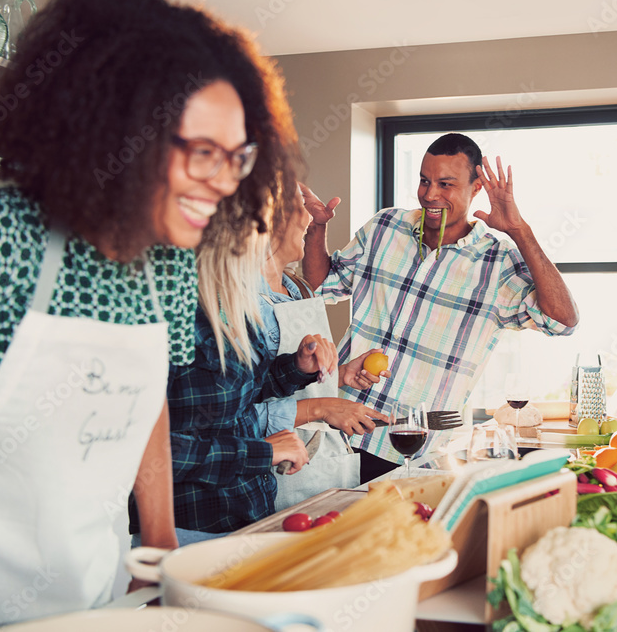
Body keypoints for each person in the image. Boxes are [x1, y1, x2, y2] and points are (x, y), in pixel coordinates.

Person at [0, 0, 297, 629]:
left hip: (97, 606)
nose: (224, 181)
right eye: (203, 152)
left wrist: (159, 544)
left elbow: (142, 400)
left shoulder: (169, 263)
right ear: (118, 129)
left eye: (236, 157)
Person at [302, 133, 580, 481]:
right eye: (424, 181)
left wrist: (519, 231)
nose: (430, 194)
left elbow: (563, 321)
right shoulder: (385, 228)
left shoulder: (496, 263)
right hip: (335, 429)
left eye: (445, 184)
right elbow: (321, 285)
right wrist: (317, 226)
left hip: (410, 451)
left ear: (476, 187)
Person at [154, 185, 388, 544]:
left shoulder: (243, 304)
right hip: (201, 522)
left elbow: (238, 394)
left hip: (249, 507)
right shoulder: (188, 313)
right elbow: (166, 449)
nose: (309, 218)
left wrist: (299, 368)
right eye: (299, 208)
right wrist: (271, 445)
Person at [259, 185, 389, 509]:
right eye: (297, 208)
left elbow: (288, 377)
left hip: (327, 461)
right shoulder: (243, 302)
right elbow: (237, 407)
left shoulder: (299, 288)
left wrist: (340, 375)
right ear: (266, 220)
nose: (307, 218)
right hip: (282, 466)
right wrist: (322, 407)